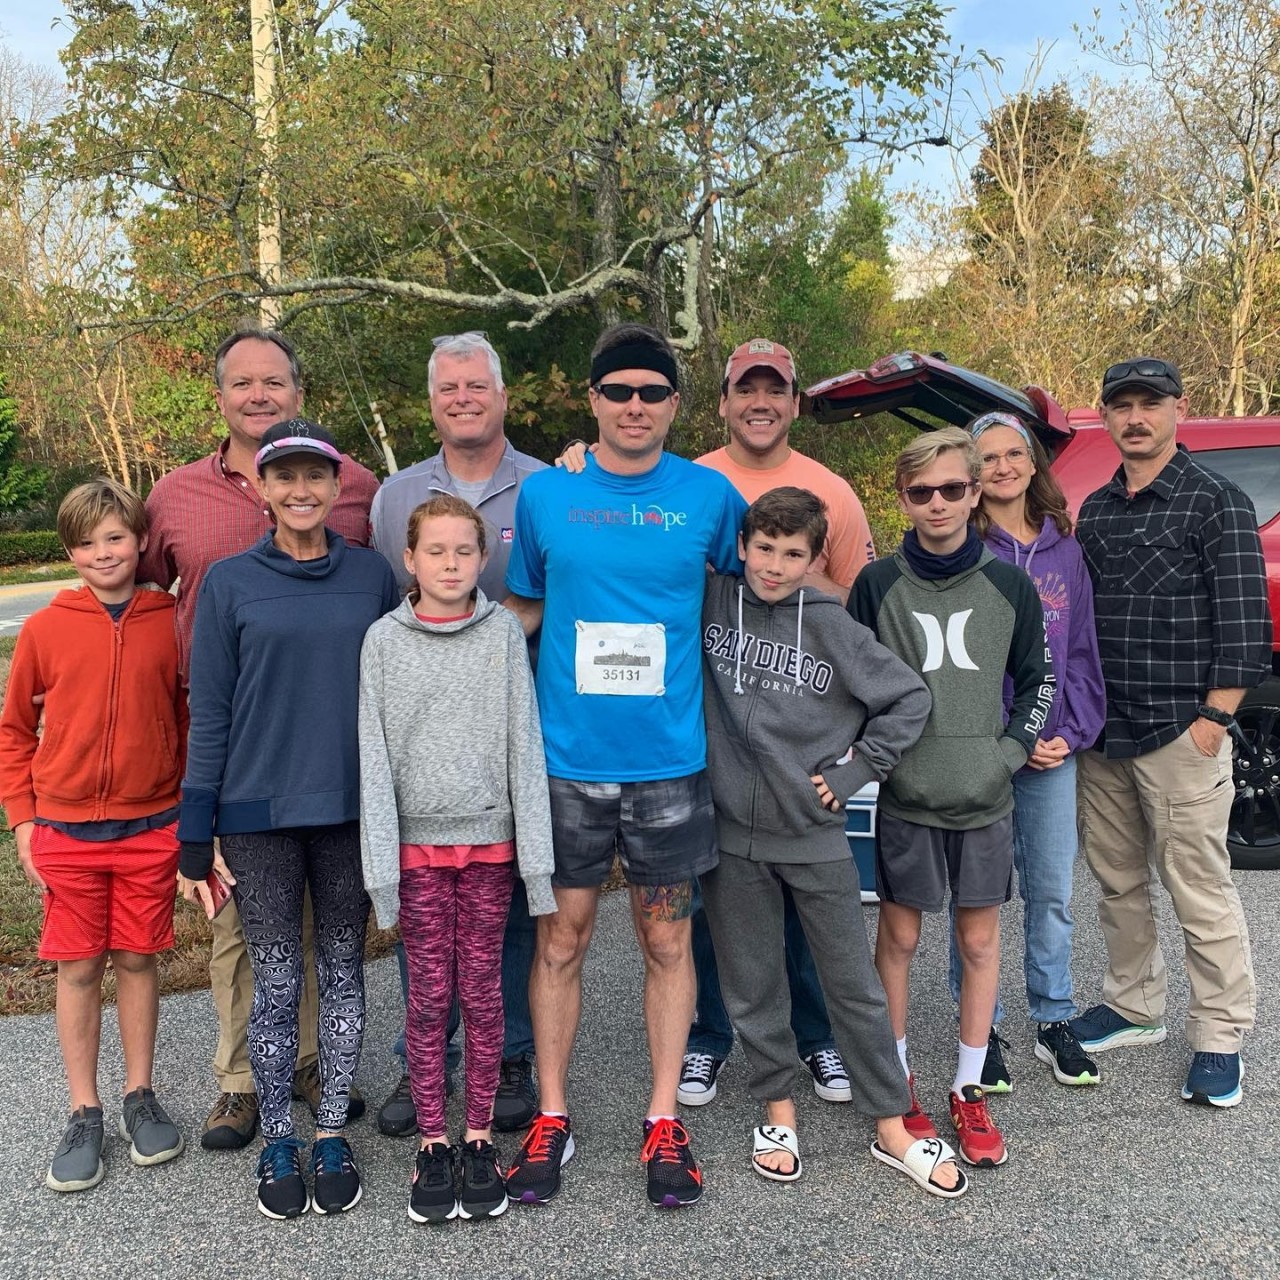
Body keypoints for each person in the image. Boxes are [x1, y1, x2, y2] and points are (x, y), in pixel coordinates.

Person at [561, 337, 876, 1107]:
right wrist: (577, 464)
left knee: (799, 894)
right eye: (747, 390)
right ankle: (710, 1038)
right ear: (724, 401)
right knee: (713, 896)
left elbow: (852, 595)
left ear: (794, 402)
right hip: (706, 719)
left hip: (798, 724)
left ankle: (817, 1039)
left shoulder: (830, 489)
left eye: (776, 390)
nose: (761, 402)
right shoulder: (696, 481)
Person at [502, 322, 747, 1210]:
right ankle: (554, 1115)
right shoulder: (546, 500)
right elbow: (522, 610)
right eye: (618, 392)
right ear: (593, 401)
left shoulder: (711, 498)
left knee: (666, 938)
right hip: (565, 765)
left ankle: (660, 1117)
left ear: (677, 405)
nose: (635, 406)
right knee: (561, 940)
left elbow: (762, 595)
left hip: (670, 766)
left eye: (652, 393)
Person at [140, 325, 379, 1150]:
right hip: (243, 761)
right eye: (241, 383)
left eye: (272, 381)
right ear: (220, 398)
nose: (258, 394)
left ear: (298, 392)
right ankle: (245, 1085)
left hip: (339, 770)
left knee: (336, 945)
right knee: (250, 943)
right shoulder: (174, 499)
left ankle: (318, 1069)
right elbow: (136, 602)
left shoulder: (362, 505)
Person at [700, 486, 966, 1199]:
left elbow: (908, 698)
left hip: (813, 833)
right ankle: (777, 1111)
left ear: (816, 557)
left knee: (852, 984)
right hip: (732, 835)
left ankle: (890, 1123)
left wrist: (853, 773)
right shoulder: (713, 602)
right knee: (752, 984)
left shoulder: (830, 624)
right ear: (744, 546)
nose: (775, 567)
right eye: (764, 549)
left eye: (793, 554)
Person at [176, 420, 399, 1219]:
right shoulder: (232, 583)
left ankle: (331, 1128)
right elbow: (212, 711)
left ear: (337, 487)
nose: (302, 491)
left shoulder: (373, 577)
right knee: (275, 981)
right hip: (257, 815)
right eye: (285, 478)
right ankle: (278, 1136)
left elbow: (395, 696)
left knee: (342, 973)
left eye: (316, 476)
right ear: (263, 489)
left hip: (347, 809)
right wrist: (194, 830)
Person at [849, 427, 1054, 1169]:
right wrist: (879, 763)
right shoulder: (877, 585)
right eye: (920, 492)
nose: (937, 504)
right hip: (907, 797)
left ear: (977, 492)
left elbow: (1040, 682)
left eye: (953, 490)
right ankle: (896, 1079)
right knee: (898, 940)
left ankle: (969, 1085)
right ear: (902, 497)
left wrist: (1006, 756)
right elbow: (853, 683)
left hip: (984, 799)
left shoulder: (1010, 584)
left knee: (977, 941)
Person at [1068, 358, 1268, 1108]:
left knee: (1200, 888)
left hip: (1182, 733)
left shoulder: (1217, 501)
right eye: (1121, 406)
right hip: (1106, 733)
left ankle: (1219, 1035)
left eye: (1149, 404)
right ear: (1109, 416)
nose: (1135, 418)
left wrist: (1215, 719)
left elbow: (1246, 625)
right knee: (1118, 882)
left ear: (1179, 409)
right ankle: (1132, 1005)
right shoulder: (1098, 510)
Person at [359, 494, 557, 1224]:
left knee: (482, 993)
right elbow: (373, 760)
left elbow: (523, 746)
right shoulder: (382, 640)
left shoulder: (503, 632)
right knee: (427, 997)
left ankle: (478, 1136)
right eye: (434, 551)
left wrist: (536, 863)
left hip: (490, 846)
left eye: (463, 552)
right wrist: (381, 872)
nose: (450, 564)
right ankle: (433, 1142)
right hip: (414, 849)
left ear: (483, 558)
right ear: (408, 559)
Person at [368, 331, 546, 1138]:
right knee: (428, 938)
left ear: (502, 395)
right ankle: (424, 1066)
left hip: (510, 728)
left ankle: (505, 1056)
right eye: (450, 389)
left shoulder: (546, 486)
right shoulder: (395, 496)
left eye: (478, 386)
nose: (465, 399)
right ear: (433, 401)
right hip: (426, 747)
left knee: (498, 927)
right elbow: (392, 613)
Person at [0, 479, 187, 1193]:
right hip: (66, 829)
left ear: (141, 541)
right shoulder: (48, 627)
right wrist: (24, 820)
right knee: (79, 968)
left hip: (151, 825)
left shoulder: (166, 619)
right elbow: (14, 731)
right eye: (86, 542)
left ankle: (140, 1094)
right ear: (69, 551)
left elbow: (188, 714)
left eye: (115, 538)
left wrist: (183, 812)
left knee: (138, 959)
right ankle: (85, 1108)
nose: (102, 553)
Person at [946, 412, 1106, 1092]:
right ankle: (983, 1031)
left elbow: (1078, 650)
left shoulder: (1064, 549)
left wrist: (1072, 729)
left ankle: (1053, 1018)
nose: (1004, 466)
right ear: (972, 470)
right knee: (976, 896)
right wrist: (1008, 736)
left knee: (1052, 892)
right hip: (985, 749)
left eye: (1016, 453)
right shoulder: (960, 545)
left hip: (1053, 752)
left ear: (1035, 464)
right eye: (989, 457)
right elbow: (958, 663)